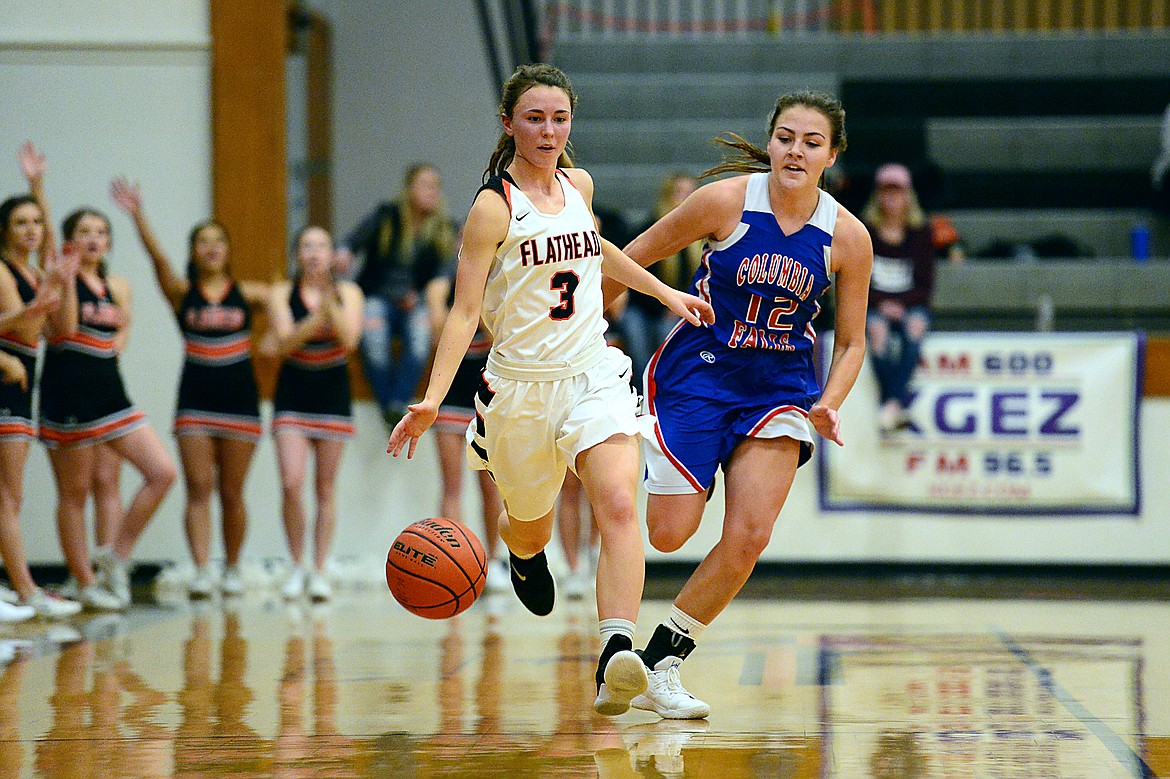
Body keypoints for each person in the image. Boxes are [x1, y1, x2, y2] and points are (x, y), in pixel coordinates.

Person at [387, 63, 714, 717]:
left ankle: (615, 652)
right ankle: (521, 546)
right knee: (530, 526)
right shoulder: (492, 207)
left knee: (619, 501)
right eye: (534, 117)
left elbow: (593, 247)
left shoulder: (579, 183)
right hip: (520, 391)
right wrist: (430, 397)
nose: (548, 129)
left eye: (559, 117)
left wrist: (661, 290)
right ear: (508, 124)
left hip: (593, 372)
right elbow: (461, 312)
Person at [605, 90, 872, 718]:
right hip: (699, 374)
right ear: (771, 141)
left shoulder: (848, 236)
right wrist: (597, 314)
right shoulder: (725, 200)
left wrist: (829, 401)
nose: (795, 151)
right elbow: (630, 256)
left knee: (750, 534)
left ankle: (658, 667)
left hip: (779, 389)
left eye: (811, 142)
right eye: (785, 137)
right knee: (669, 535)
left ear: (832, 154)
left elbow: (854, 341)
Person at [111, 177, 269, 598]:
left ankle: (232, 568)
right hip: (195, 401)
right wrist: (138, 215)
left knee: (232, 492)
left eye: (219, 240)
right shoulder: (183, 292)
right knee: (198, 487)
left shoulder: (250, 293)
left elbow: (288, 299)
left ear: (229, 250)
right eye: (203, 241)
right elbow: (157, 258)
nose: (212, 247)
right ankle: (202, 570)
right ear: (194, 251)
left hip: (240, 400)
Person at [39, 207, 178, 610]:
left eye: (101, 232)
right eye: (84, 231)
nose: (93, 239)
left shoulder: (117, 285)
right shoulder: (59, 278)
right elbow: (63, 332)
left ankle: (115, 556)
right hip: (68, 392)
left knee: (162, 472)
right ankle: (84, 581)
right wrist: (38, 189)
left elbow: (121, 331)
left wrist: (122, 337)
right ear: (68, 240)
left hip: (110, 392)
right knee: (75, 492)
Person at [0, 142, 83, 621]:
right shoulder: (4, 271)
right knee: (8, 495)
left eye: (36, 221)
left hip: (21, 383)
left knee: (11, 495)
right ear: (5, 231)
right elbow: (27, 327)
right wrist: (51, 284)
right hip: (6, 379)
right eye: (21, 223)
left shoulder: (34, 273)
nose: (32, 231)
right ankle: (26, 589)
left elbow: (63, 329)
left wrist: (64, 281)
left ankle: (23, 588)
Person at [262, 226, 363, 602]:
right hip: (293, 392)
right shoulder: (280, 293)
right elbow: (286, 343)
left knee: (324, 488)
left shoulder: (348, 292)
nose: (315, 252)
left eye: (322, 245)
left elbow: (349, 341)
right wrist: (314, 316)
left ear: (331, 255)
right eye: (307, 246)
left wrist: (328, 303)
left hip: (333, 393)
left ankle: (319, 569)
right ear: (297, 254)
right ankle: (295, 566)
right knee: (291, 482)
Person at [335, 164, 454, 426]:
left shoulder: (444, 229)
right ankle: (388, 401)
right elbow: (352, 241)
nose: (432, 191)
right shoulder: (386, 217)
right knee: (374, 334)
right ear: (409, 188)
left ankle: (399, 401)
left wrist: (420, 296)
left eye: (436, 186)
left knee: (421, 336)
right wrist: (344, 253)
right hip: (378, 295)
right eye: (425, 184)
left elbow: (444, 275)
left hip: (417, 302)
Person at [424, 260, 508, 593]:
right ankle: (451, 561)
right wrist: (467, 300)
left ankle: (497, 558)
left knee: (492, 486)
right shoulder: (439, 288)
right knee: (451, 486)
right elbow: (437, 334)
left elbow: (498, 334)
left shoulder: (503, 282)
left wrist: (484, 297)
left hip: (489, 388)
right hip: (451, 390)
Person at [860, 163, 936, 434]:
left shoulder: (921, 232)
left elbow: (925, 285)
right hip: (875, 304)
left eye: (898, 192)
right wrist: (882, 304)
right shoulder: (864, 231)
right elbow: (858, 282)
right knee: (877, 330)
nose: (893, 198)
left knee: (915, 327)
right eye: (887, 192)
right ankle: (894, 402)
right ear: (878, 196)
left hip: (910, 305)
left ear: (908, 196)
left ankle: (889, 404)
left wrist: (901, 306)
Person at [616, 172, 702, 393]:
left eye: (690, 194)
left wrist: (673, 306)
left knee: (667, 331)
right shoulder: (649, 228)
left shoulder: (700, 237)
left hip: (674, 307)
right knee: (633, 330)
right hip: (644, 305)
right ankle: (642, 391)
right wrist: (664, 302)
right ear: (667, 196)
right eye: (680, 193)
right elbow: (633, 278)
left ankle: (665, 390)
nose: (684, 198)